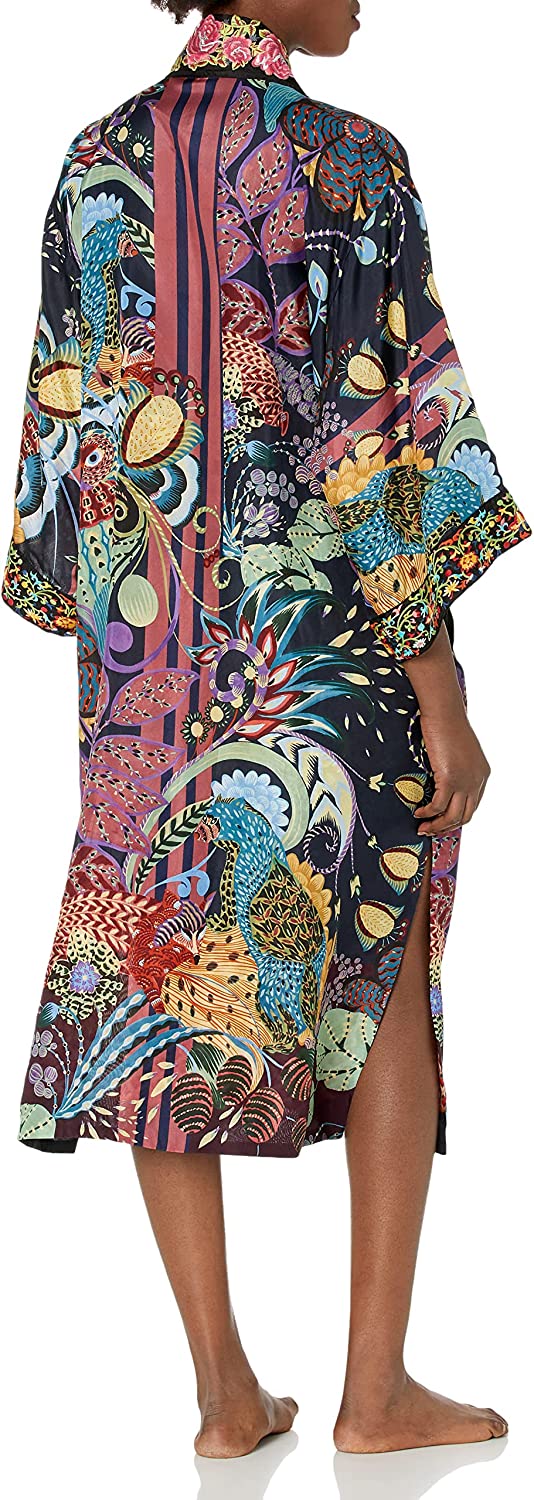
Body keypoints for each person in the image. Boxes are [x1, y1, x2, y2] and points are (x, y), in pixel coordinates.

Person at [2, 0, 530, 1459]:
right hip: (319, 662)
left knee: (158, 983)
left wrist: (114, 625)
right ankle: (374, 1393)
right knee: (385, 960)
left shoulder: (92, 159)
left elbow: (64, 426)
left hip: (144, 657)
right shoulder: (347, 158)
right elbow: (385, 444)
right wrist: (441, 689)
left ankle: (225, 1394)